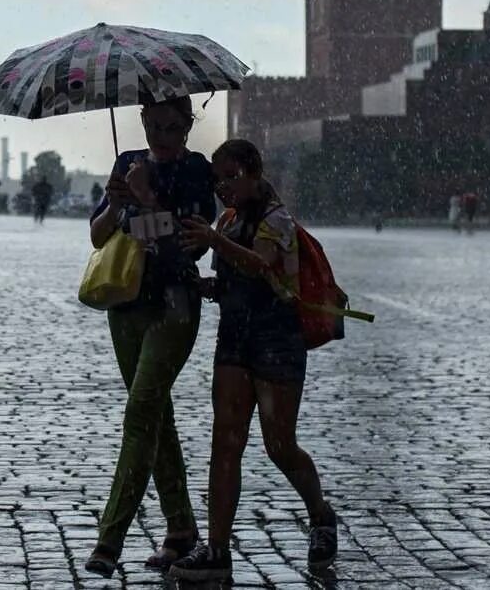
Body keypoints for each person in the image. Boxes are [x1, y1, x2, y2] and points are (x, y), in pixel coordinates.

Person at [169, 139, 338, 581]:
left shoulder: (276, 220)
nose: (223, 186)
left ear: (253, 172)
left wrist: (212, 241)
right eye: (218, 178)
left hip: (277, 342)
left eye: (231, 176)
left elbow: (261, 266)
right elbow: (233, 280)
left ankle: (320, 515)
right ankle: (217, 549)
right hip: (234, 341)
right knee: (225, 443)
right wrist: (205, 285)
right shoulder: (226, 221)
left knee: (279, 445)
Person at [83, 96, 217, 578]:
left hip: (175, 304)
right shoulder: (126, 163)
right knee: (156, 413)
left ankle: (109, 540)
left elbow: (191, 241)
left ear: (186, 128)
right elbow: (99, 237)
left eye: (170, 127)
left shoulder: (197, 171)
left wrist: (147, 200)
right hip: (126, 305)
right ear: (141, 123)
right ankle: (181, 531)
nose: (160, 135)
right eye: (153, 125)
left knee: (141, 409)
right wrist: (118, 201)